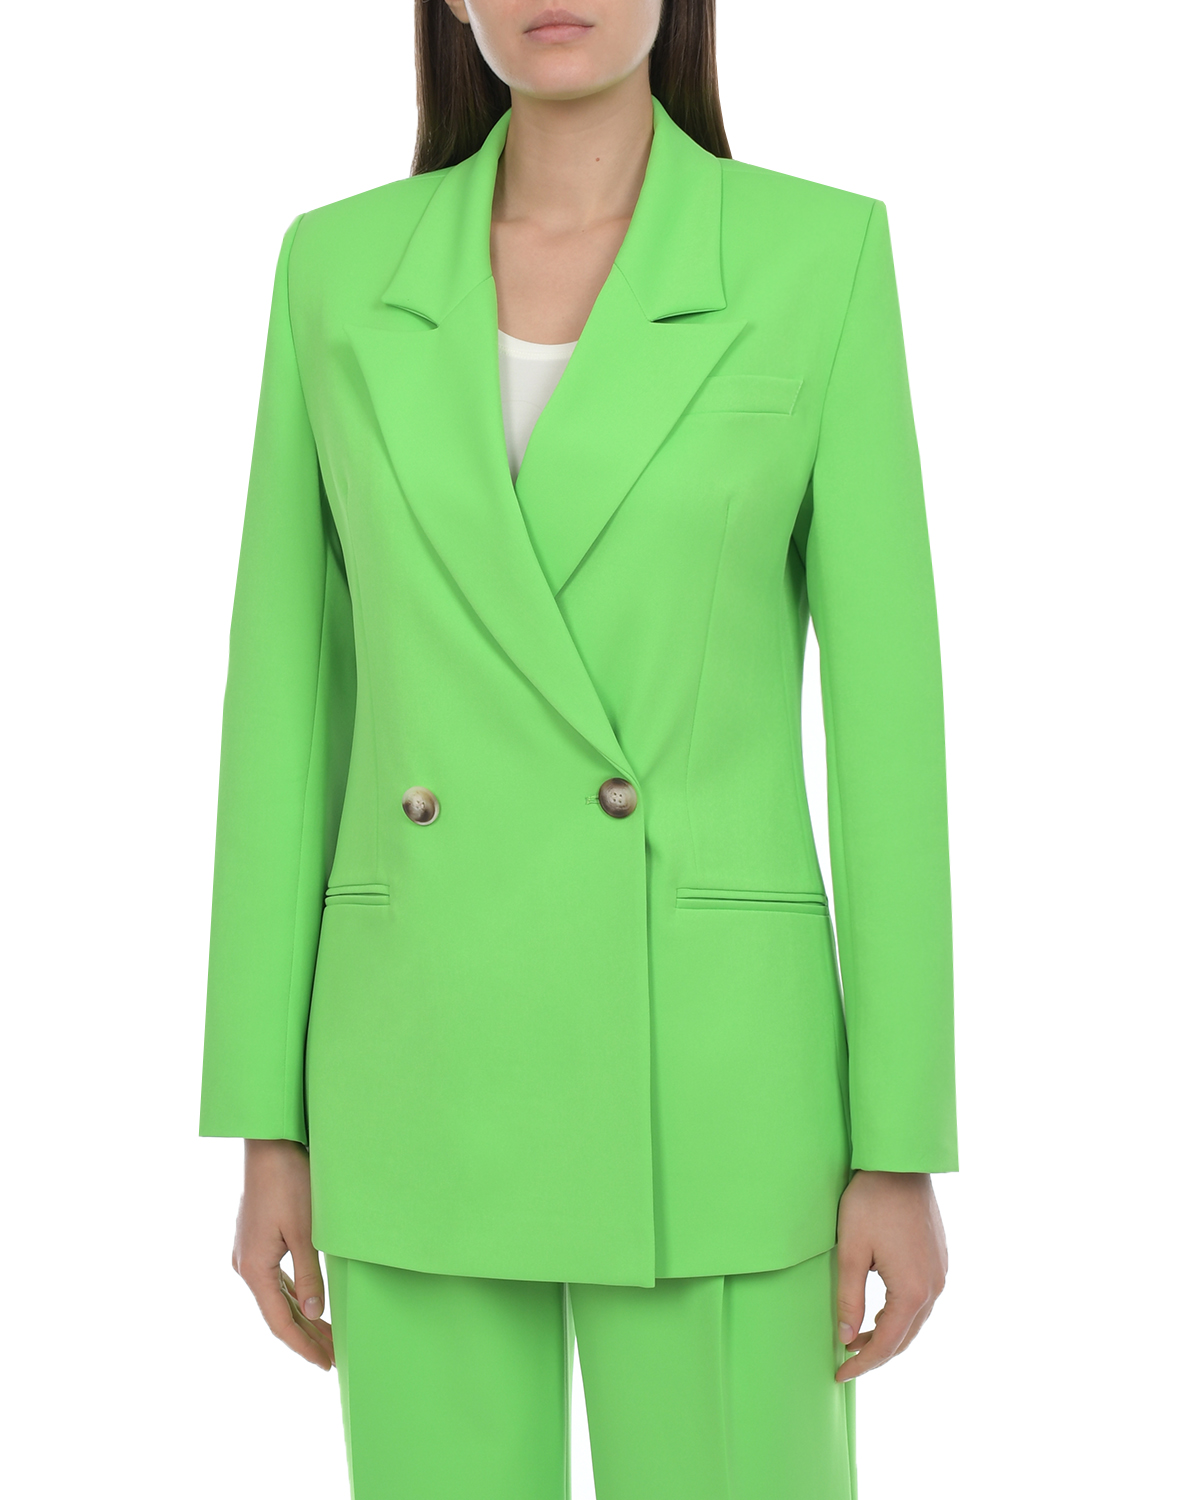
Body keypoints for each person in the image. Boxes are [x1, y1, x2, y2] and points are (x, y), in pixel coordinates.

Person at [199, 2, 957, 1495]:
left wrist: (900, 1139)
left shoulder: (817, 257)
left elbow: (891, 731)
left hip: (717, 1064)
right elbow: (285, 702)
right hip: (415, 1054)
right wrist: (264, 1120)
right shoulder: (335, 270)